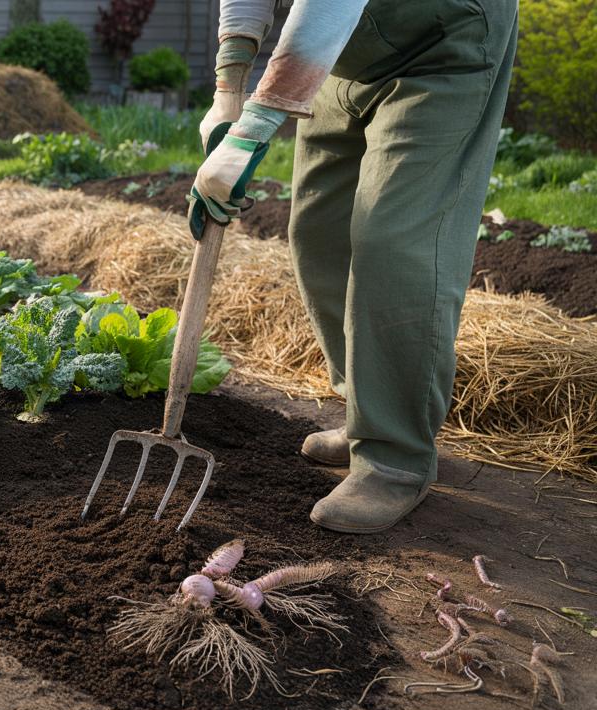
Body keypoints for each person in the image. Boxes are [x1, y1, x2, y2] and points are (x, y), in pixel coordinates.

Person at [189, 0, 519, 533]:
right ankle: (367, 409)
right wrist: (228, 91)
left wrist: (253, 129)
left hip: (441, 36)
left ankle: (395, 456)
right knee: (318, 231)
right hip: (341, 49)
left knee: (391, 241)